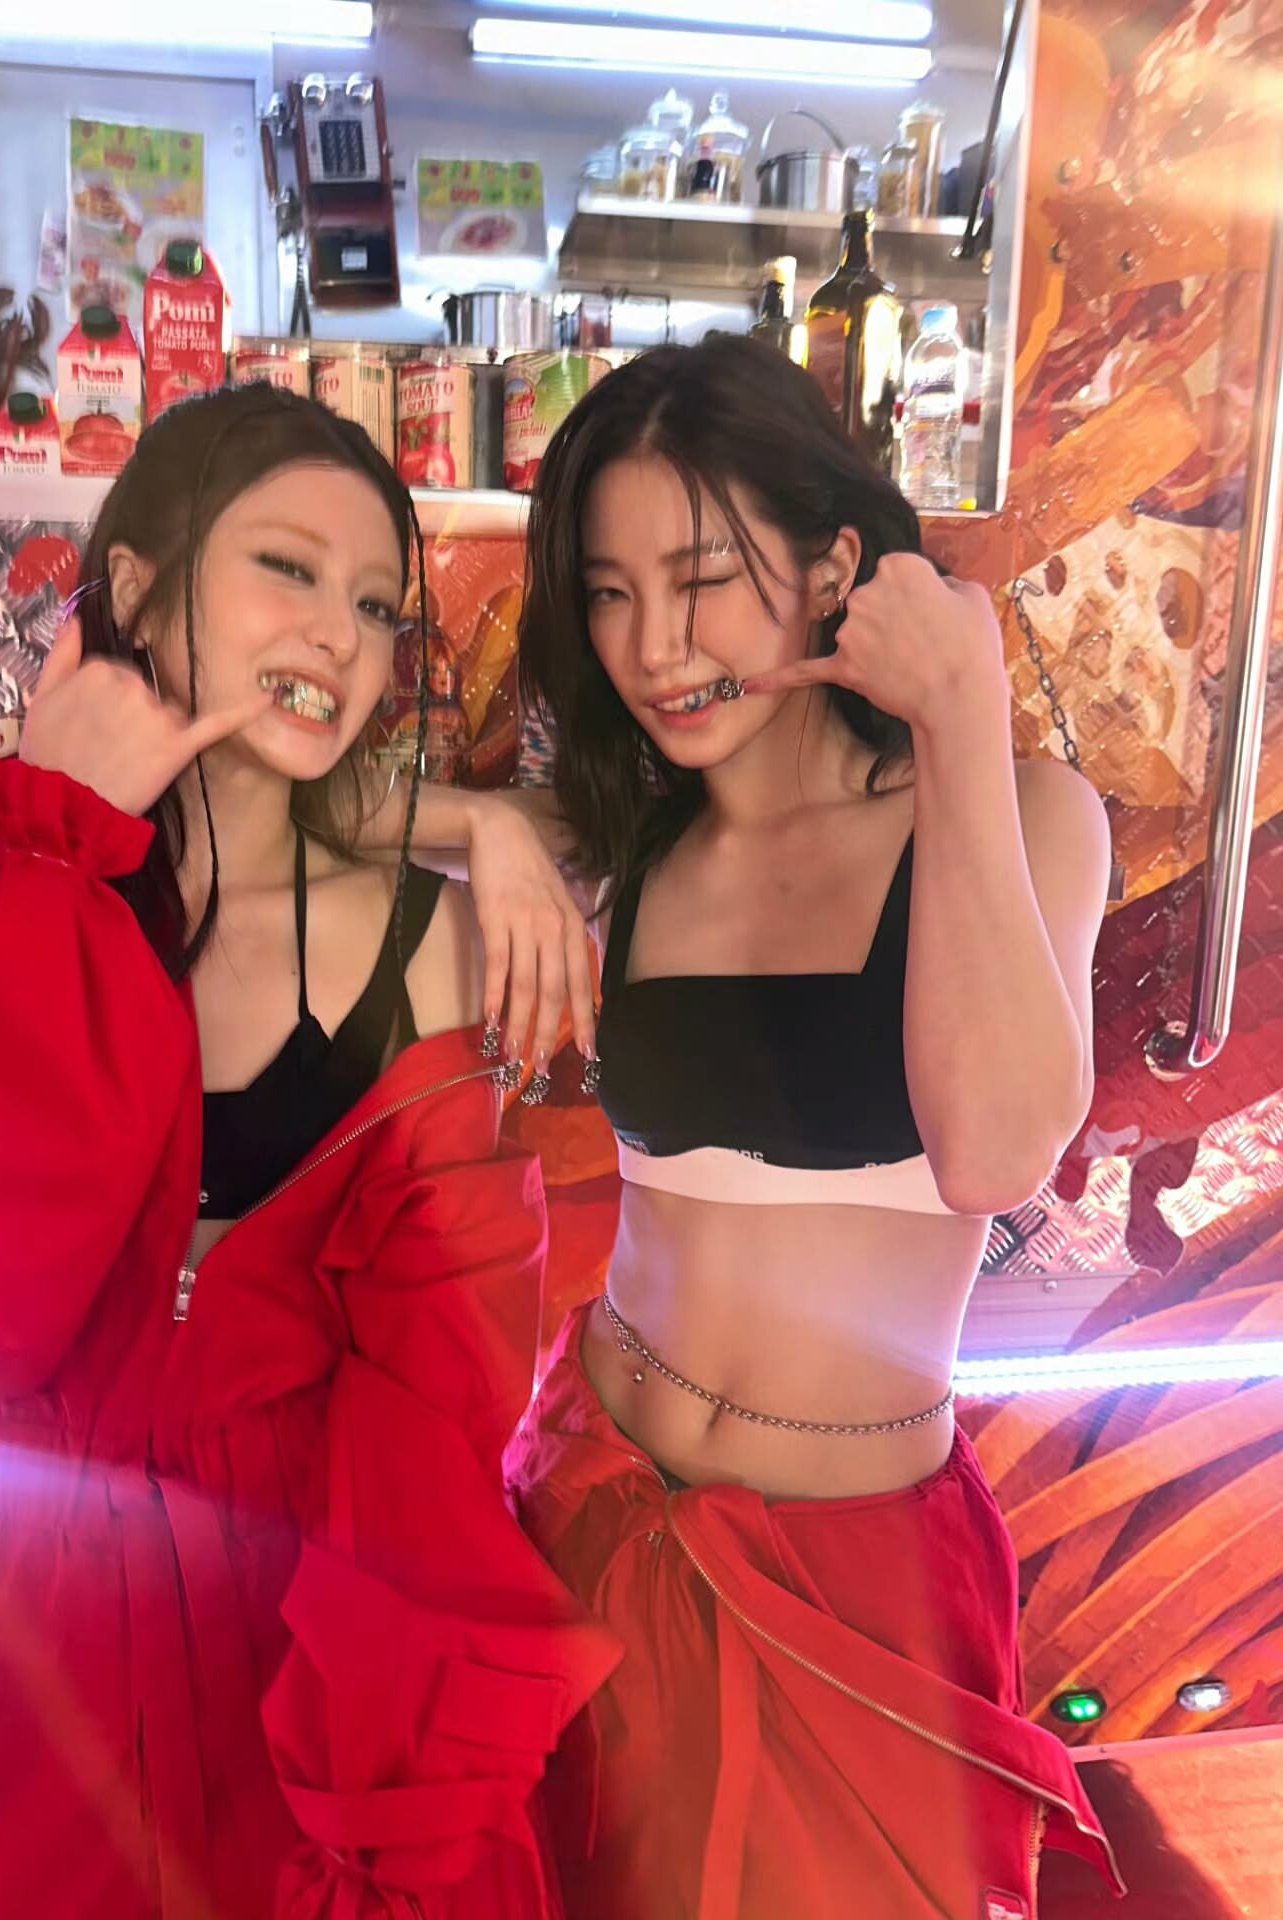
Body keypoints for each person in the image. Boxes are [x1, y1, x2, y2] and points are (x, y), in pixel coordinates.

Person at [0, 383, 617, 1920]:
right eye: (287, 567)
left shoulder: (432, 940)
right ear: (136, 587)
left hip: (304, 1616)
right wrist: (53, 837)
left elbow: (438, 1389)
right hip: (21, 1627)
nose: (340, 633)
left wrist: (390, 1755)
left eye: (377, 603)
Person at [396, 336, 1126, 1917]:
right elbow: (303, 813)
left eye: (704, 577)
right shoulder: (633, 837)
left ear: (835, 568)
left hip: (852, 1587)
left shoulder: (1023, 815)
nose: (654, 648)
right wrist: (486, 834)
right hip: (588, 1516)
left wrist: (961, 717)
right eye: (609, 593)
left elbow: (996, 1151)